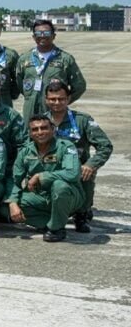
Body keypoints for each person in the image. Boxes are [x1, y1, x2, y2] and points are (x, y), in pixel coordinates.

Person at [44, 82, 112, 233]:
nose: (56, 103)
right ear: (46, 100)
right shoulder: (41, 122)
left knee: (86, 173)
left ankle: (82, 213)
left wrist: (91, 164)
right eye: (52, 99)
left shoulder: (83, 120)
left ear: (68, 99)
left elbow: (105, 145)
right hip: (50, 170)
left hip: (77, 170)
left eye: (61, 99)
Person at [7, 115, 82, 242]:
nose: (40, 132)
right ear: (30, 133)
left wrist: (42, 176)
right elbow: (16, 180)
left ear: (53, 129)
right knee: (6, 209)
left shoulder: (66, 147)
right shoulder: (25, 151)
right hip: (40, 197)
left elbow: (72, 174)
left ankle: (56, 229)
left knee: (59, 186)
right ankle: (50, 222)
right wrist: (12, 203)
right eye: (35, 130)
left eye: (44, 128)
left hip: (69, 197)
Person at [17, 19, 86, 118]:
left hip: (55, 112)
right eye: (38, 33)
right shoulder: (24, 59)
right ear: (33, 37)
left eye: (46, 32)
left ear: (53, 36)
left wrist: (62, 101)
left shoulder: (65, 59)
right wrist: (31, 97)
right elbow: (19, 83)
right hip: (31, 111)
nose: (42, 36)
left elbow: (79, 85)